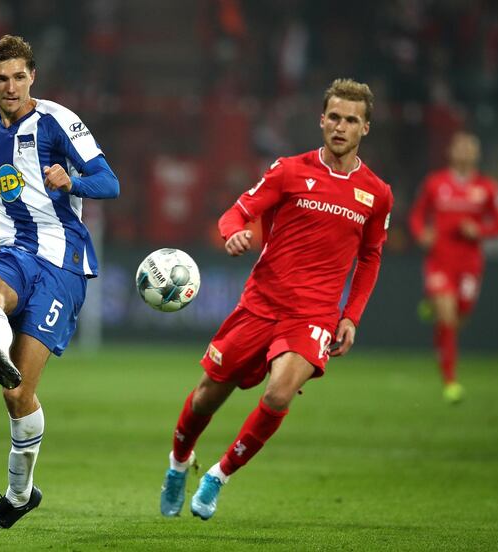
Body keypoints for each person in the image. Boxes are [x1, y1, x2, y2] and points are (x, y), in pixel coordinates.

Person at [158, 78, 393, 521]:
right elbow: (237, 212)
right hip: (261, 304)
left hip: (314, 315)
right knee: (208, 396)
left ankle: (218, 475)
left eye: (352, 121)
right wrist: (232, 234)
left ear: (366, 128)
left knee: (280, 394)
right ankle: (177, 463)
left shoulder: (376, 194)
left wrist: (352, 316)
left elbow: (371, 257)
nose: (341, 127)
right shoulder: (289, 170)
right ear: (322, 120)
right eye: (335, 118)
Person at [0, 35, 119, 529]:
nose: (10, 87)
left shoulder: (58, 121)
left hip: (61, 263)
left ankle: (17, 496)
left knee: (17, 396)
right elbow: (0, 200)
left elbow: (109, 181)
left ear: (32, 76)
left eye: (19, 77)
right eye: (0, 79)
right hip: (13, 250)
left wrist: (71, 182)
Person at [408, 132, 498, 403]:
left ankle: (435, 314)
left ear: (476, 153)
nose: (464, 151)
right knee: (449, 319)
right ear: (450, 151)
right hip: (440, 261)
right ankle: (450, 381)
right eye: (460, 146)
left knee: (460, 315)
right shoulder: (435, 183)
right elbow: (417, 215)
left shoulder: (487, 188)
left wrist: (479, 230)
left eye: (469, 147)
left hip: (470, 265)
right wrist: (421, 233)